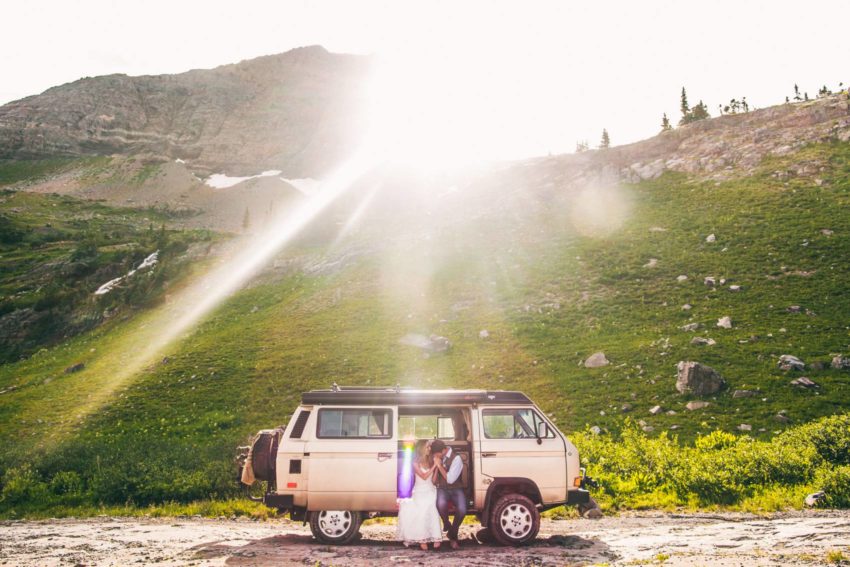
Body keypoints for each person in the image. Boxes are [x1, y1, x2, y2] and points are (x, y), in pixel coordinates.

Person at [396, 439, 443, 550]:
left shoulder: (431, 461)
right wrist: (434, 466)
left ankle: (436, 537)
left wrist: (436, 467)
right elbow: (423, 476)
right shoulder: (415, 462)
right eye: (427, 447)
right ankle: (422, 539)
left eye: (429, 447)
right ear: (421, 448)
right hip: (419, 491)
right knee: (422, 511)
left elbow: (433, 480)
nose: (429, 449)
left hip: (430, 490)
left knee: (432, 509)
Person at [431, 439, 466, 549]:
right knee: (440, 504)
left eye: (437, 454)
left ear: (443, 451)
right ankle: (446, 523)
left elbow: (450, 479)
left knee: (462, 509)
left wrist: (439, 466)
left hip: (456, 488)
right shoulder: (438, 456)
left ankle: (452, 533)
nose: (436, 456)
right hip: (442, 488)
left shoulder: (457, 459)